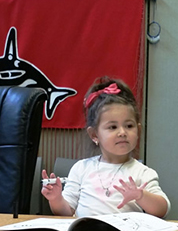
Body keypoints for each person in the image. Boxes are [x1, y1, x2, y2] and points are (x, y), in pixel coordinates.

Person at [42, 77, 170, 218]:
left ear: (138, 131)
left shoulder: (142, 173)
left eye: (129, 126)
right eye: (112, 127)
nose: (122, 132)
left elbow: (162, 209)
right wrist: (55, 199)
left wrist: (141, 195)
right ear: (94, 134)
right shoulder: (81, 168)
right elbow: (66, 211)